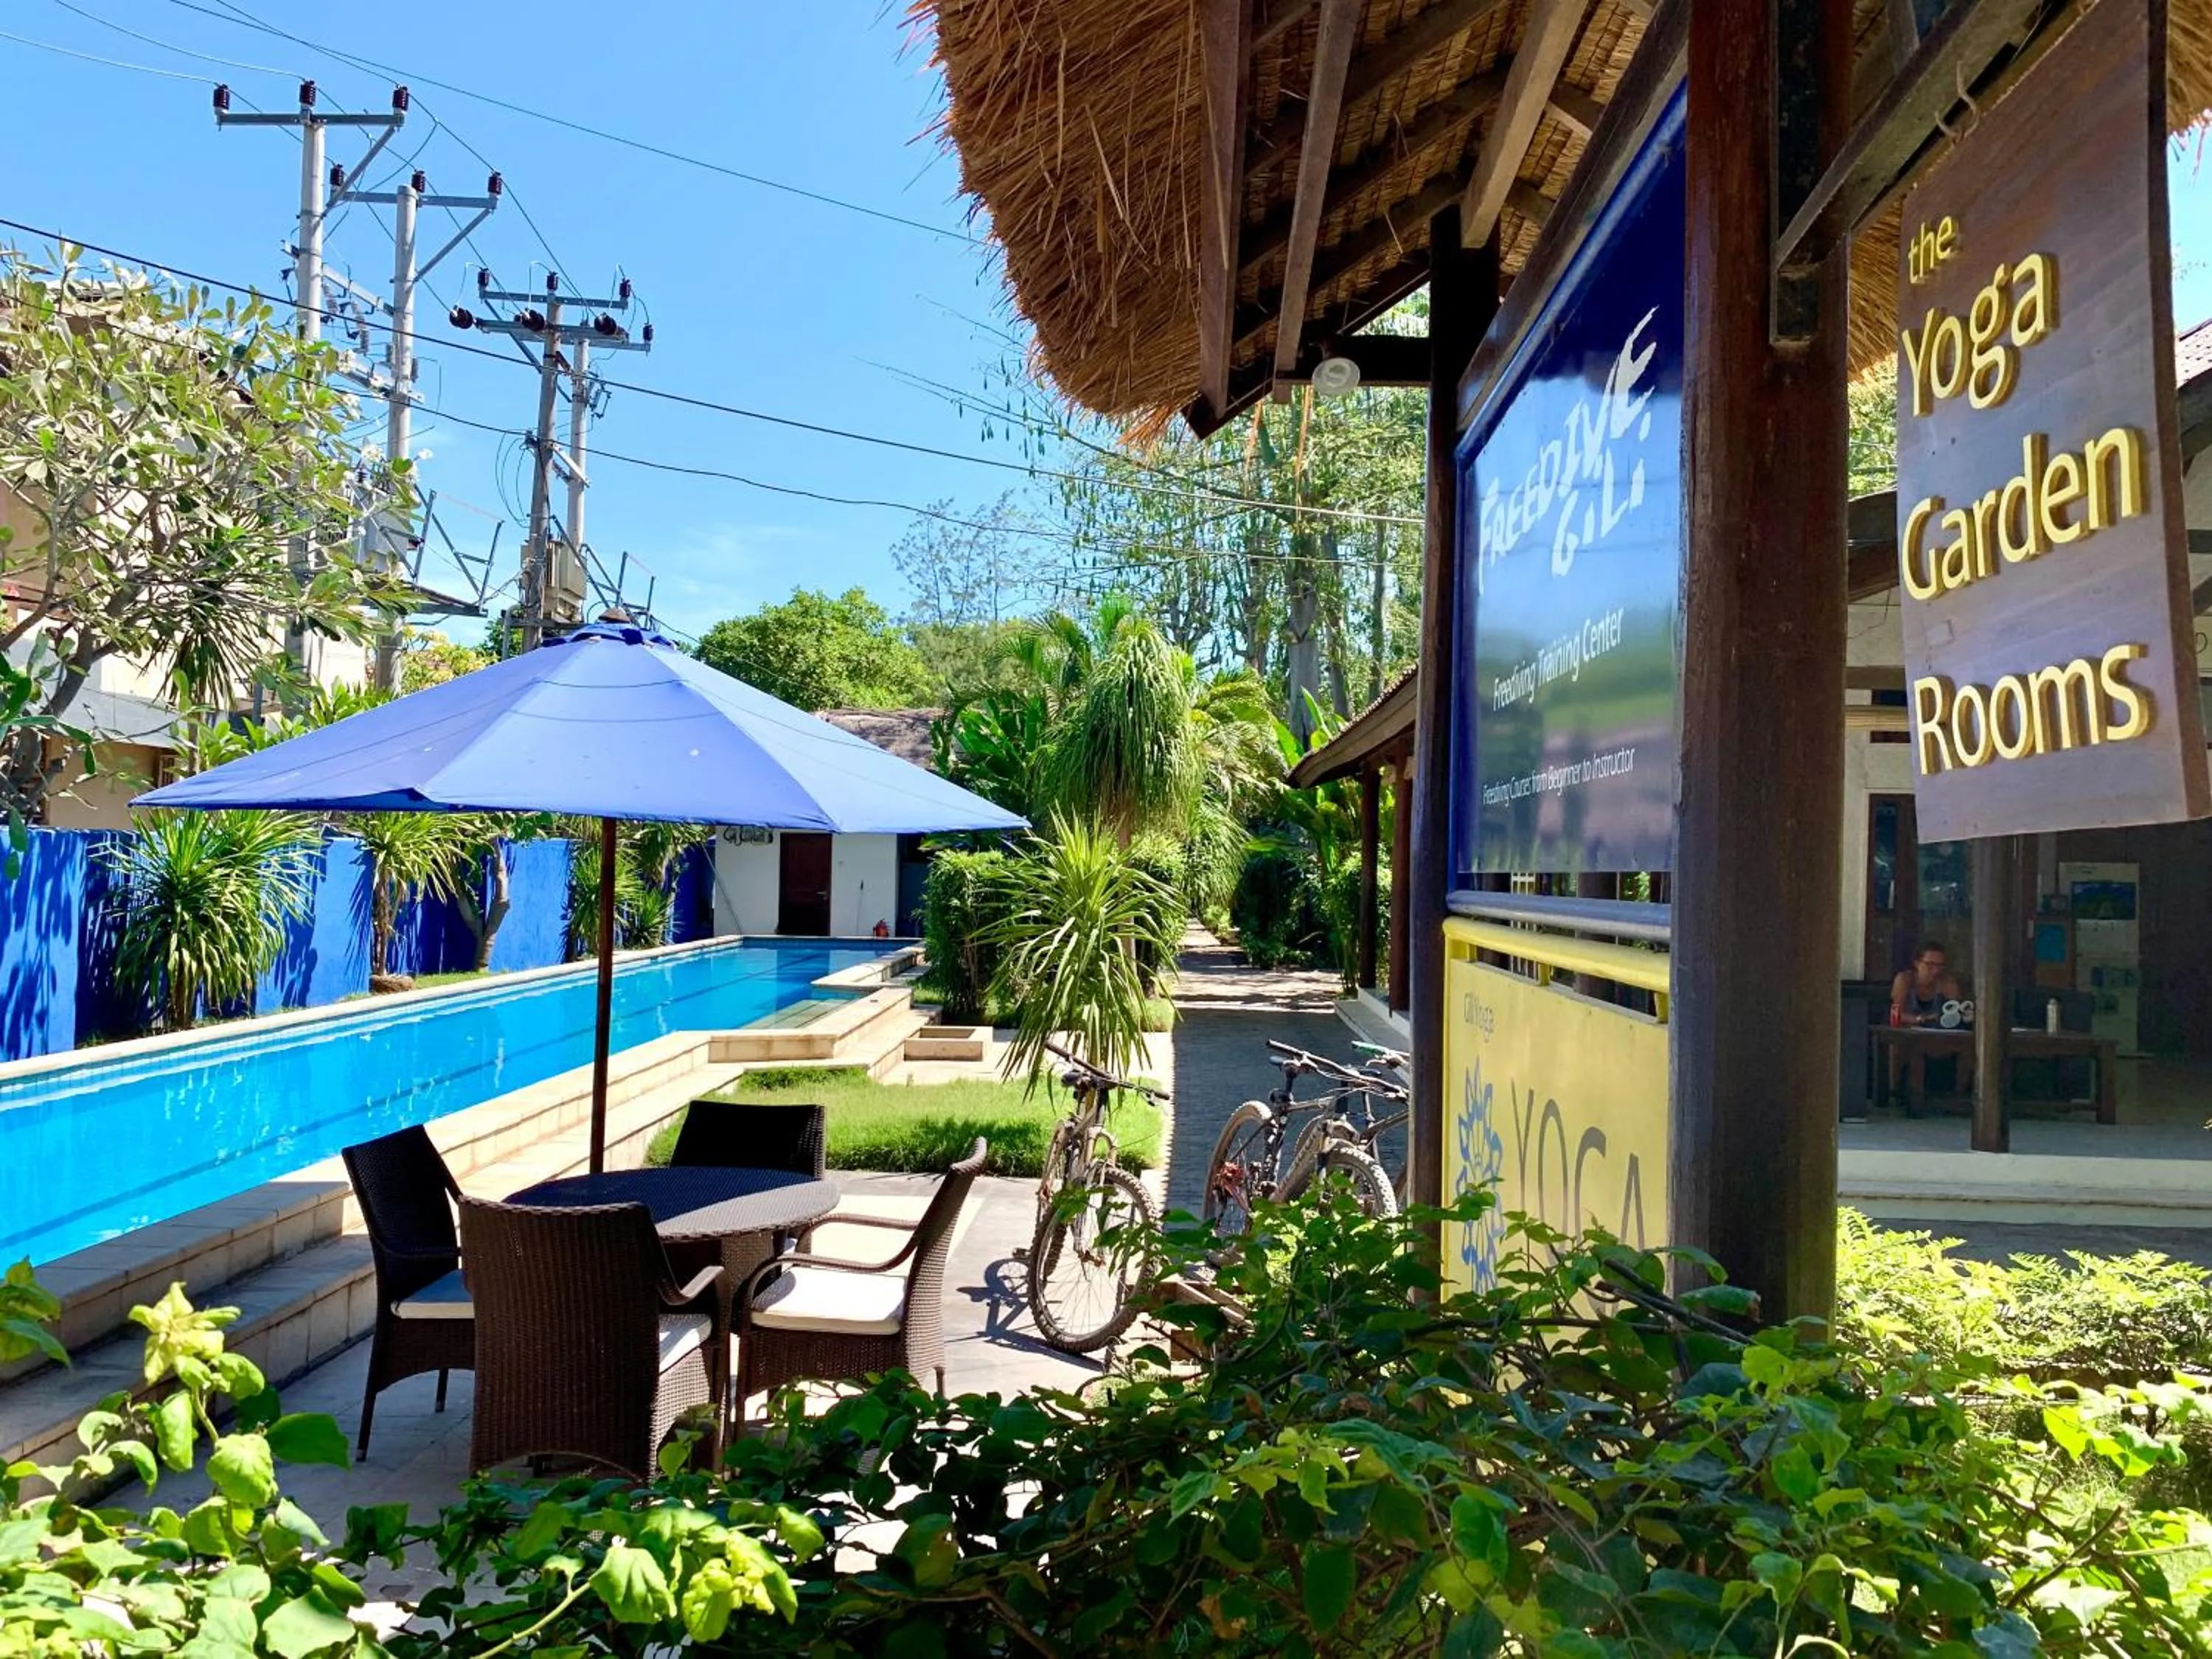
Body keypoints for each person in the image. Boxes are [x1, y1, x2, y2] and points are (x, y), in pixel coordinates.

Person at [1887, 941, 1973, 1099]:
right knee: (1900, 1046)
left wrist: (1953, 998)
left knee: (1967, 1048)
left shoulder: (1946, 982)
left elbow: (1957, 1010)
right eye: (1930, 965)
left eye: (1940, 966)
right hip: (1910, 1032)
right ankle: (1899, 1093)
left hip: (1939, 1033)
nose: (1936, 970)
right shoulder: (1905, 980)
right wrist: (1921, 1019)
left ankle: (1958, 1095)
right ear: (1917, 963)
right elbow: (1897, 1013)